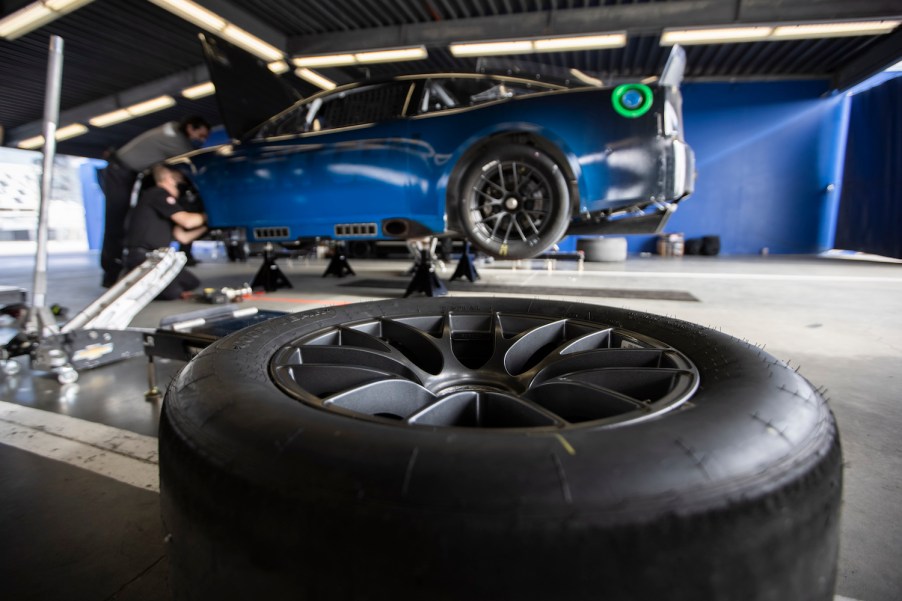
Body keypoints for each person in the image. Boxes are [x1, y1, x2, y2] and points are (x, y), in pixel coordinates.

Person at [99, 115, 211, 287]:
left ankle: (118, 268)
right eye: (201, 135)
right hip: (119, 170)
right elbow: (192, 162)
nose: (202, 140)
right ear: (190, 128)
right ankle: (111, 272)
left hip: (129, 171)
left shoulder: (171, 128)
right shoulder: (176, 141)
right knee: (116, 220)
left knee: (123, 218)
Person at [123, 164, 207, 300]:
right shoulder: (158, 193)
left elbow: (183, 237)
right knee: (173, 293)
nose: (181, 185)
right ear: (169, 179)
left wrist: (208, 226)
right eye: (179, 180)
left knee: (191, 283)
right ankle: (133, 277)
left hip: (159, 259)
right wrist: (209, 216)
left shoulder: (166, 207)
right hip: (143, 258)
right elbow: (188, 221)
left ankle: (141, 280)